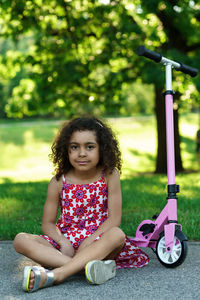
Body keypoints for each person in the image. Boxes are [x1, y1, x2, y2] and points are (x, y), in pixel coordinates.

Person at [13, 116, 149, 293]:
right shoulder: (58, 181)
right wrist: (64, 242)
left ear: (102, 149)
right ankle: (86, 268)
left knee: (117, 234)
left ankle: (59, 274)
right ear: (66, 150)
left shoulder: (109, 175)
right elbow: (47, 223)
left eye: (90, 147)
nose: (82, 153)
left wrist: (89, 241)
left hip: (98, 242)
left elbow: (114, 219)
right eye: (74, 147)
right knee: (20, 239)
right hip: (64, 246)